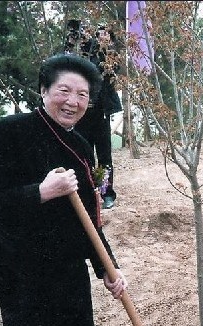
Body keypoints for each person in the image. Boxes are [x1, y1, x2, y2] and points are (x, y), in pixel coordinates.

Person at [0, 54, 127, 326]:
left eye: (83, 95)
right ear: (44, 90)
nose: (73, 102)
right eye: (64, 90)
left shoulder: (78, 145)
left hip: (69, 277)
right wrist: (40, 192)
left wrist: (107, 267)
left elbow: (87, 220)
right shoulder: (10, 131)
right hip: (23, 282)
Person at [74, 24, 123, 210]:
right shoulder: (84, 53)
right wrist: (83, 42)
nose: (102, 36)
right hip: (82, 114)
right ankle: (86, 192)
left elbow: (110, 73)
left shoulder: (111, 56)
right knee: (83, 155)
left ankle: (106, 193)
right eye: (99, 33)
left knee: (104, 157)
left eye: (106, 33)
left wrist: (103, 48)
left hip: (101, 114)